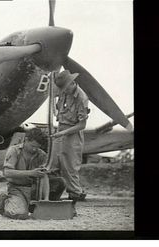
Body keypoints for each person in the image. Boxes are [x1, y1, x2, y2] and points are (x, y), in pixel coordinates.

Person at [0, 128, 66, 219]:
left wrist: (46, 199)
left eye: (37, 147)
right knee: (20, 215)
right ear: (26, 140)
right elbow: (7, 172)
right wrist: (31, 173)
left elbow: (44, 176)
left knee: (60, 182)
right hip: (17, 188)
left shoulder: (41, 155)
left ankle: (37, 207)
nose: (34, 149)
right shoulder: (14, 150)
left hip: (35, 189)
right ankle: (5, 201)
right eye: (32, 146)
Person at [50, 70, 90, 202]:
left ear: (72, 83)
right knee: (54, 162)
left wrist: (63, 133)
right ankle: (52, 192)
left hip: (72, 133)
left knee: (70, 165)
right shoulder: (63, 92)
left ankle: (75, 193)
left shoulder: (81, 98)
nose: (63, 91)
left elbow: (82, 125)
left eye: (65, 88)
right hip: (60, 129)